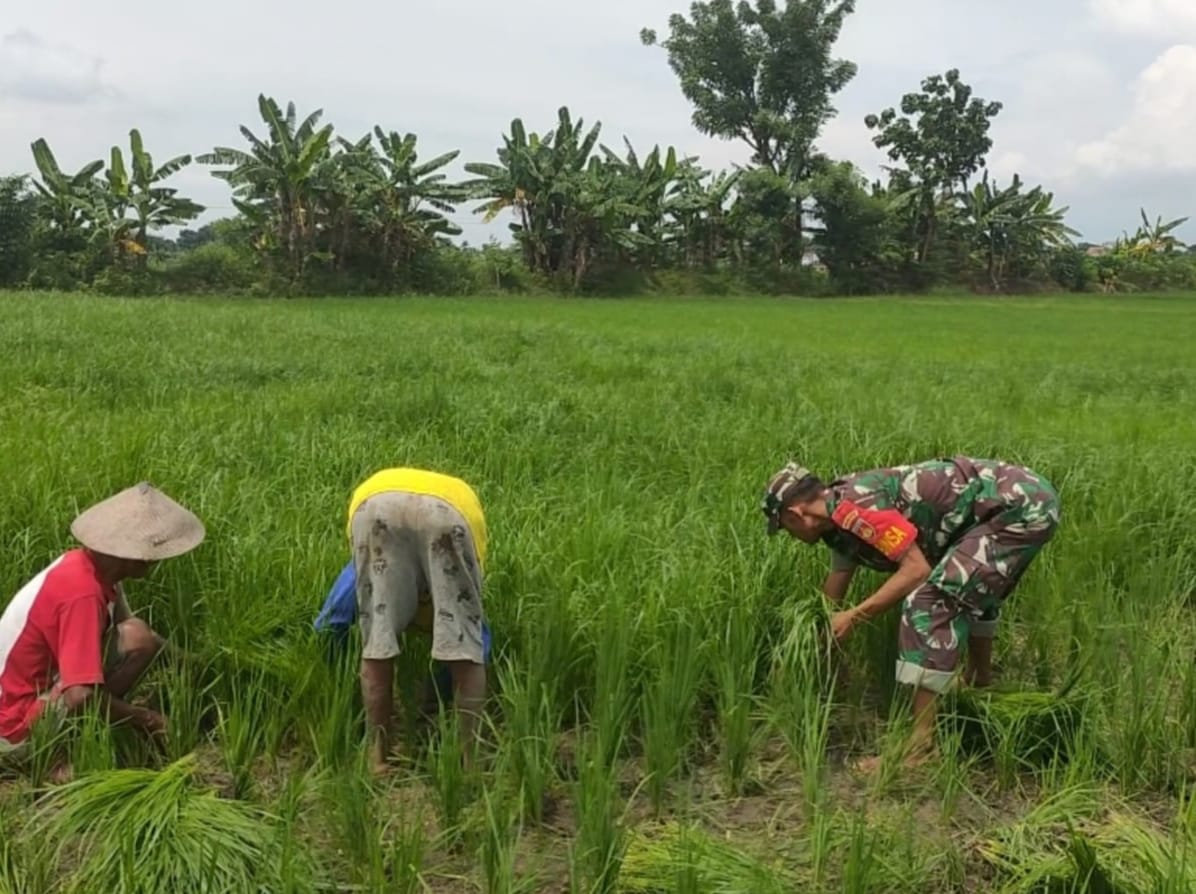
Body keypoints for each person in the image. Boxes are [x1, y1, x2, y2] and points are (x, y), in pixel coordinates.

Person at [761, 455, 1060, 770]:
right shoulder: (837, 522)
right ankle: (978, 680)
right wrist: (806, 650)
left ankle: (921, 747)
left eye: (784, 528)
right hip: (1013, 500)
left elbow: (916, 570)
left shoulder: (855, 509)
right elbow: (832, 594)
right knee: (966, 587)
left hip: (1018, 505)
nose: (790, 536)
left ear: (795, 515)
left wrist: (854, 617)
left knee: (928, 603)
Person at [0, 482, 204, 776]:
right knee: (87, 717)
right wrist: (149, 720)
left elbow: (137, 633)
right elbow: (79, 696)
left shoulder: (94, 568)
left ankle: (93, 724)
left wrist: (194, 664)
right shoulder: (81, 593)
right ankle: (52, 759)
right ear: (135, 556)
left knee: (138, 636)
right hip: (12, 726)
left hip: (28, 691)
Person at [344, 467, 489, 776]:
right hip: (448, 514)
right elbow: (476, 631)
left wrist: (331, 641)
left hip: (374, 506)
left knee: (377, 642)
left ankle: (378, 757)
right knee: (464, 647)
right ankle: (470, 763)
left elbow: (339, 611)